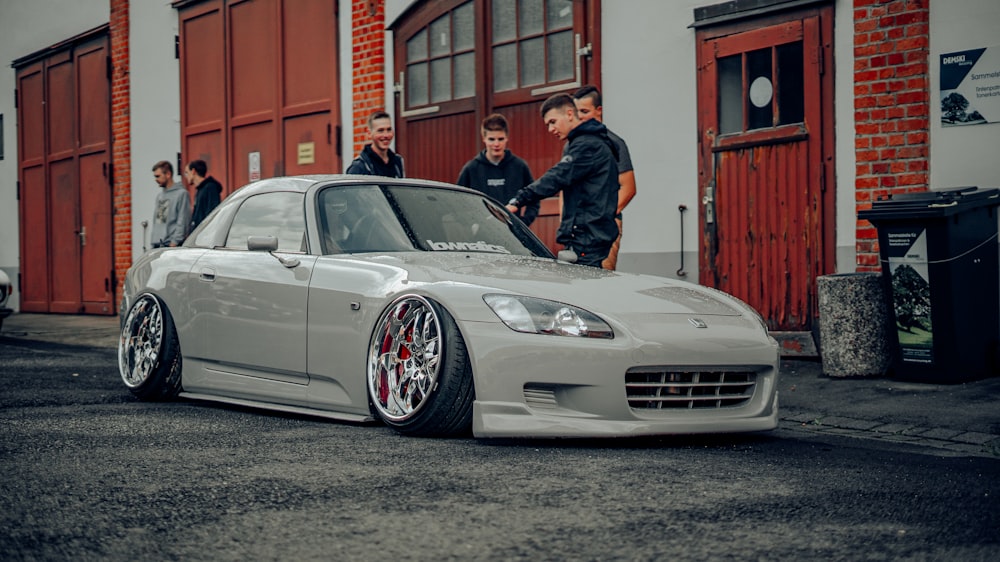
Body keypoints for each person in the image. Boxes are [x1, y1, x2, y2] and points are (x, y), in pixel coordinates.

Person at [505, 93, 619, 268]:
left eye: (552, 121)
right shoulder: (592, 142)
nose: (550, 129)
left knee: (583, 290)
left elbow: (556, 177)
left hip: (587, 238)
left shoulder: (587, 146)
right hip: (590, 236)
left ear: (569, 114)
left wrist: (519, 199)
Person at [573, 85, 637, 271]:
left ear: (598, 111)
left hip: (604, 226)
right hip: (576, 227)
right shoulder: (573, 146)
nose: (580, 117)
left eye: (584, 111)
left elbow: (628, 188)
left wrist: (600, 217)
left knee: (602, 279)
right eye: (576, 113)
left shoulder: (615, 144)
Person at [456, 113, 539, 226]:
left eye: (500, 139)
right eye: (491, 139)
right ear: (484, 139)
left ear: (507, 138)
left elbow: (534, 198)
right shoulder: (471, 169)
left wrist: (524, 223)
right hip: (482, 233)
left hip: (512, 232)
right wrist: (471, 225)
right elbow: (459, 201)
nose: (496, 144)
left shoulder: (519, 166)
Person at [346, 110, 405, 177]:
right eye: (380, 130)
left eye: (389, 130)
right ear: (369, 133)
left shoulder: (397, 162)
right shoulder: (359, 166)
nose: (386, 135)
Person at [150, 160, 191, 248]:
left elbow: (183, 220)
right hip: (157, 244)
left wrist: (175, 242)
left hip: (171, 245)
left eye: (158, 176)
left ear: (168, 174)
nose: (156, 180)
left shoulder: (181, 194)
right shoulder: (160, 196)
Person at [185, 159, 224, 230]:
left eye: (187, 173)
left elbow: (212, 214)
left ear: (193, 171)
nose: (186, 176)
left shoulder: (210, 188)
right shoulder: (200, 190)